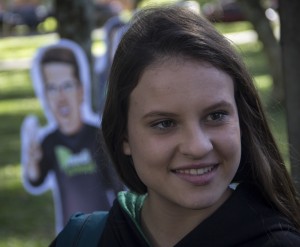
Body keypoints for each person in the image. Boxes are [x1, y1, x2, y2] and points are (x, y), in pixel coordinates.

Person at [52, 5, 300, 246]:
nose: (198, 146)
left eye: (215, 116)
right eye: (165, 123)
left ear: (241, 120)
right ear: (124, 137)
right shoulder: (83, 239)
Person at [22, 40, 123, 232]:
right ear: (45, 95)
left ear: (81, 90)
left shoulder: (97, 136)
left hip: (104, 229)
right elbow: (36, 179)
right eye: (52, 88)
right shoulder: (50, 142)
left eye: (67, 86)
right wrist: (32, 160)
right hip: (71, 233)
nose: (60, 97)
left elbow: (117, 186)